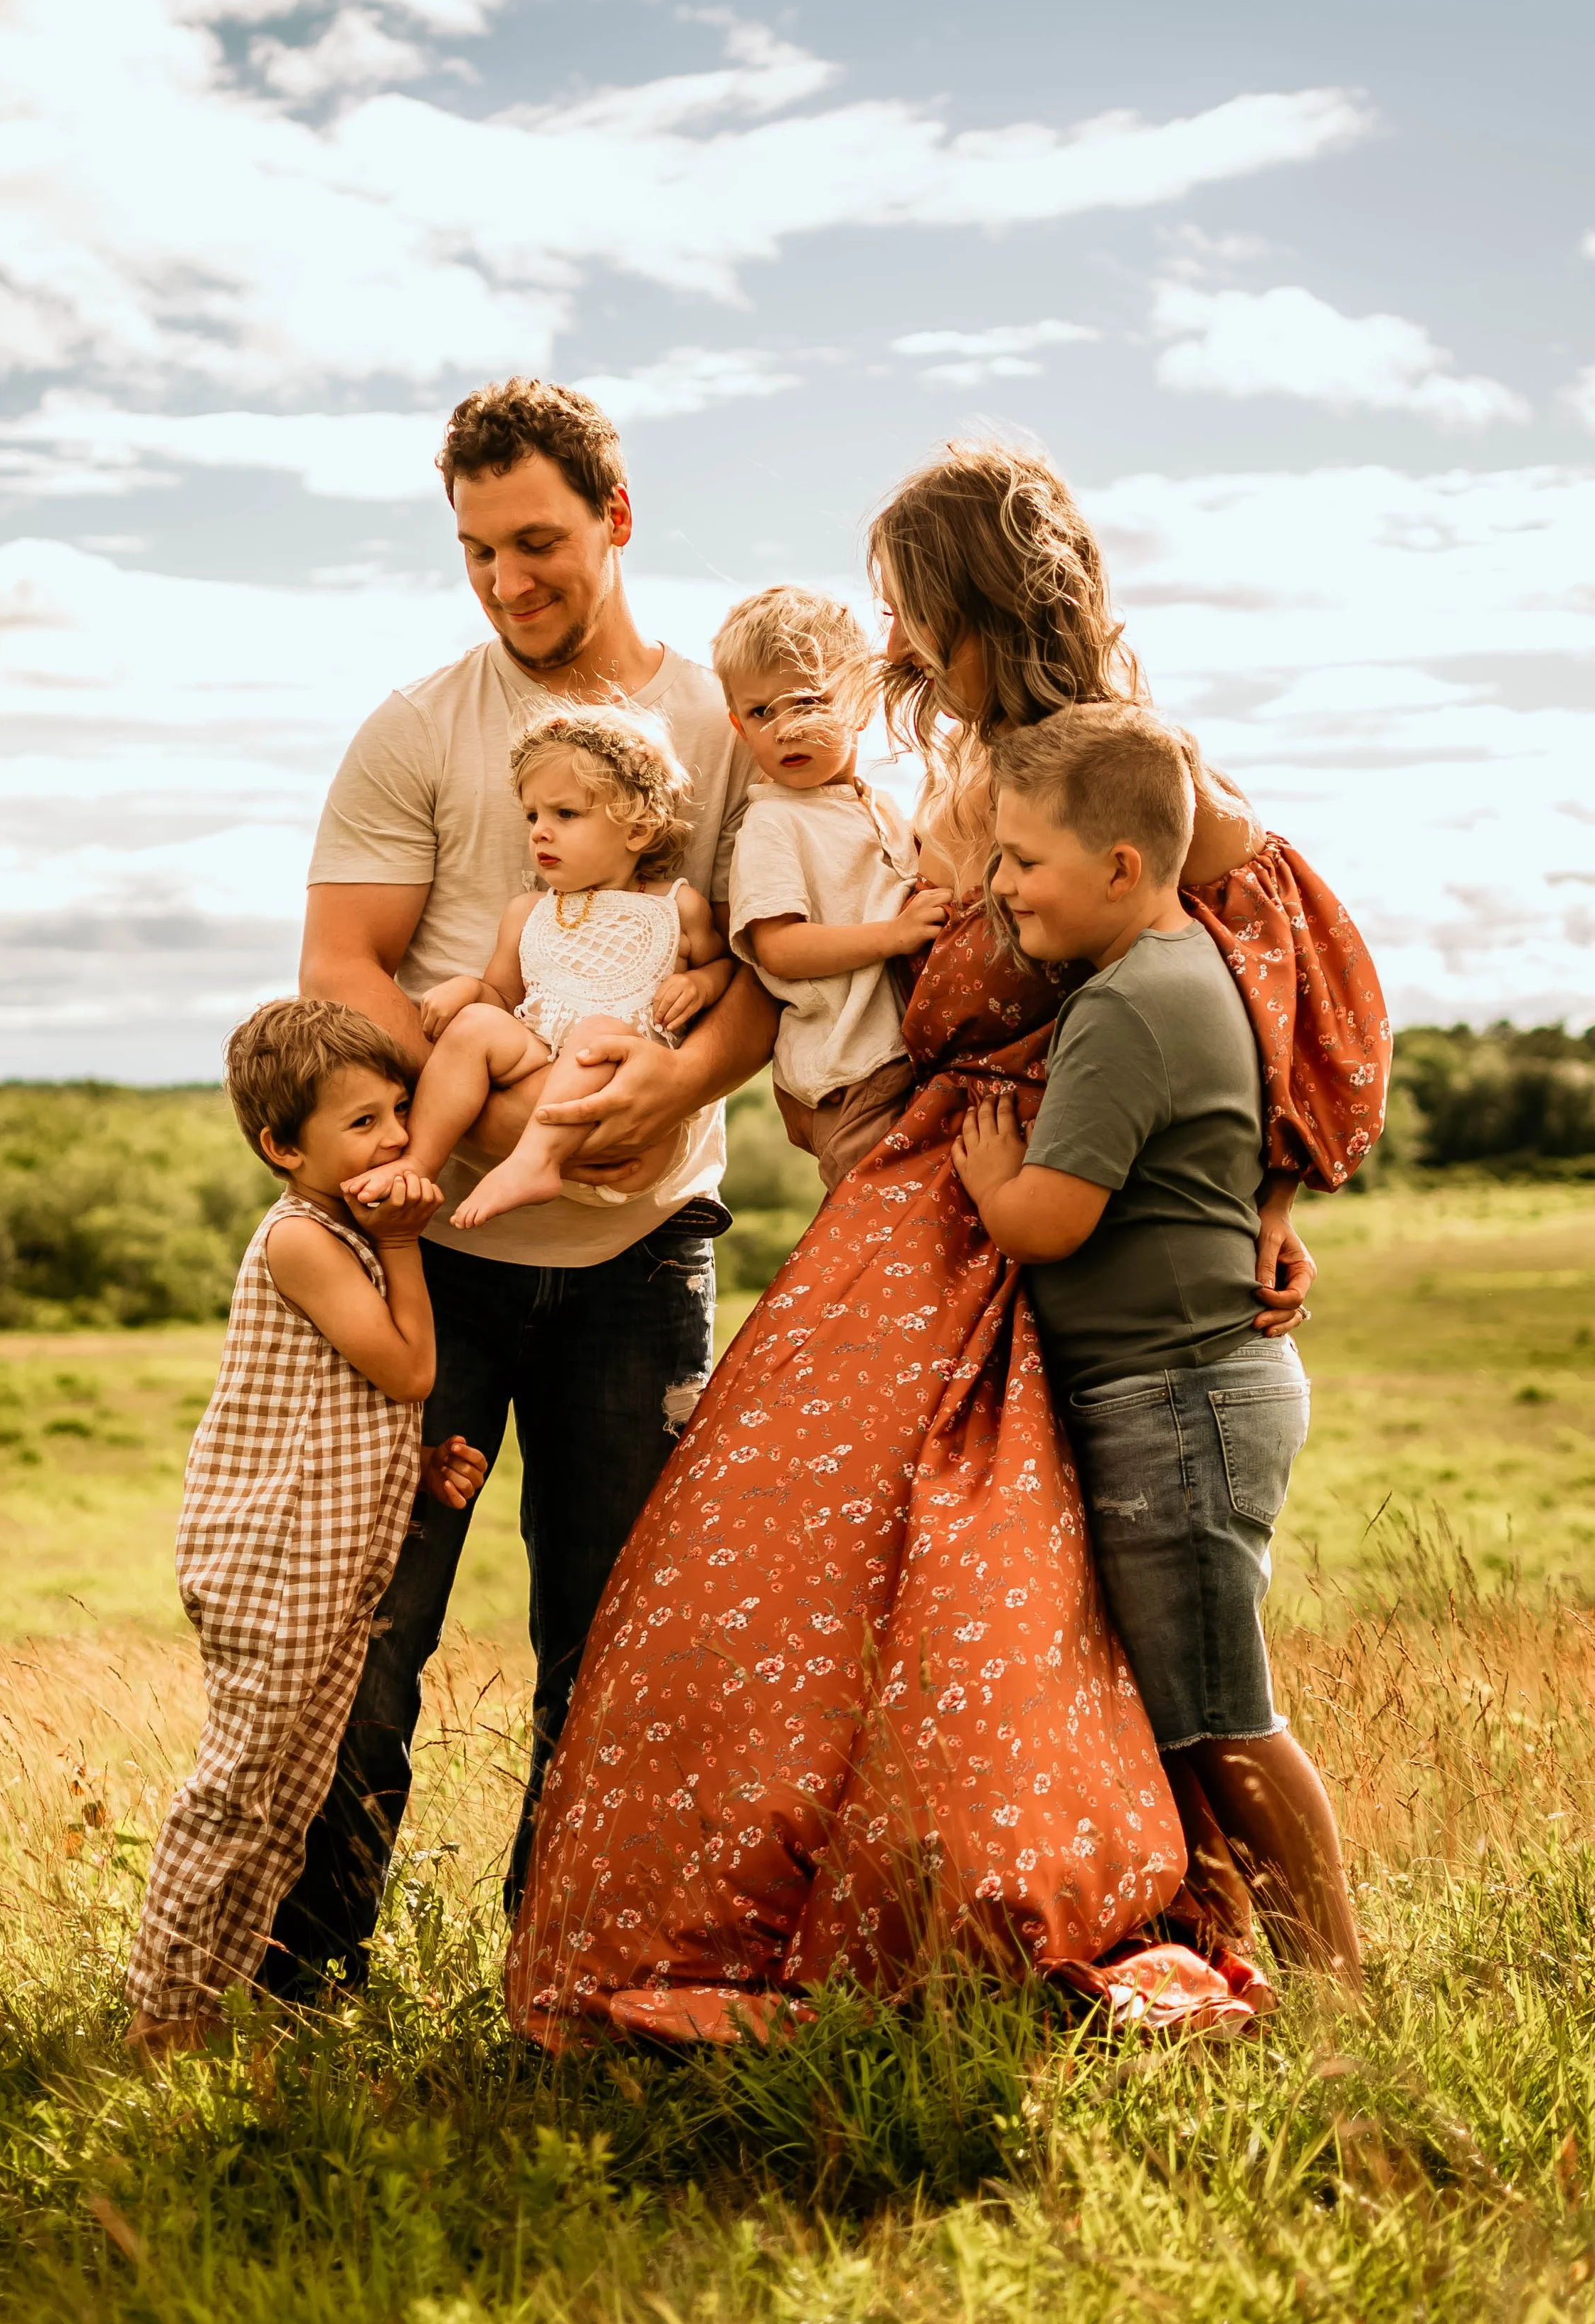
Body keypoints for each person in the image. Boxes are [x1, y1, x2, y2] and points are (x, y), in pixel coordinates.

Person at [505, 439, 1389, 2050]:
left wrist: (1278, 1189)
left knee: (1074, 1623)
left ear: (979, 602)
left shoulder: (1122, 768)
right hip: (943, 1203)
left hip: (1040, 1213)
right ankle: (937, 1910)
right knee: (821, 1582)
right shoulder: (933, 777)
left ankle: (1288, 1976)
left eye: (913, 609)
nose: (894, 645)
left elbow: (1289, 962)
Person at [270, 379, 774, 1987]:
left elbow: (759, 970)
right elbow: (340, 966)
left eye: (538, 541)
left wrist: (676, 1087)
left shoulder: (720, 724)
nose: (507, 580)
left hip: (645, 1251)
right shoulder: (419, 726)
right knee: (371, 1613)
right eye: (478, 549)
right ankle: (308, 1970)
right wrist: (483, 1113)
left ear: (618, 519)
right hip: (428, 1253)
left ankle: (567, 1968)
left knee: (613, 1629)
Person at [950, 703, 1360, 1988]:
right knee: (1197, 1704)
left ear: (1122, 867)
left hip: (1180, 1397)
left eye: (1022, 861)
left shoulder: (1128, 1006)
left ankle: (1341, 1990)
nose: (1000, 887)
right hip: (1186, 1388)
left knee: (1221, 1712)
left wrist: (989, 1179)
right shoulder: (1189, 967)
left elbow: (1055, 1221)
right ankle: (1260, 1964)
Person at [124, 999, 486, 2059]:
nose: (394, 1139)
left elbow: (343, 1401)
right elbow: (411, 1366)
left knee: (289, 1793)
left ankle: (217, 1999)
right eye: (362, 1123)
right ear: (284, 1147)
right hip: (275, 1566)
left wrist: (412, 1469)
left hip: (329, 1560)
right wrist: (406, 1242)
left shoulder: (345, 1232)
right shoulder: (306, 1239)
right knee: (241, 1785)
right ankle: (164, 2010)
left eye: (399, 1113)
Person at [406, 702, 732, 1232]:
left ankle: (534, 1163)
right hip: (541, 1070)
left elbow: (726, 971)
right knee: (473, 1026)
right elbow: (501, 999)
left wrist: (700, 980)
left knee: (601, 1033)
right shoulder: (527, 911)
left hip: (628, 1107)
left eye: (565, 814)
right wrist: (468, 990)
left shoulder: (677, 906)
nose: (540, 832)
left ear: (638, 829)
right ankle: (417, 1168)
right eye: (532, 816)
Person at [716, 586, 948, 1194]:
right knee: (880, 1224)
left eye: (809, 702)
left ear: (863, 703)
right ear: (739, 726)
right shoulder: (774, 822)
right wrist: (893, 935)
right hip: (851, 1072)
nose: (786, 729)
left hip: (901, 1060)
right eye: (762, 712)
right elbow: (780, 949)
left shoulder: (884, 808)